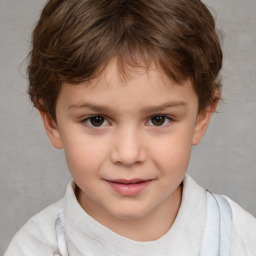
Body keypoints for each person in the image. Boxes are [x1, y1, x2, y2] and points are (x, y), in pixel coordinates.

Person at [4, 0, 256, 255]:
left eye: (158, 119)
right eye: (96, 120)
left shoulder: (240, 238)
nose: (128, 155)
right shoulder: (33, 248)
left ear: (201, 117)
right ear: (51, 122)